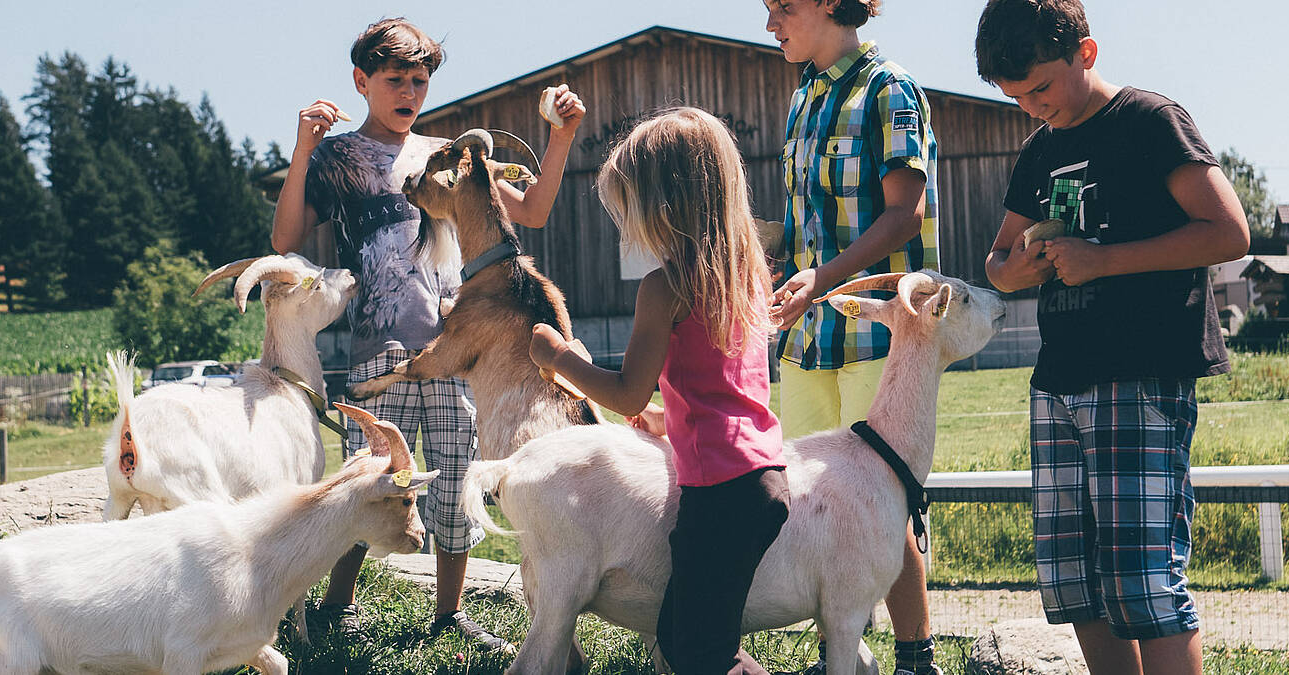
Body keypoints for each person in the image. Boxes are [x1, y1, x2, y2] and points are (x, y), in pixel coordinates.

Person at [269, 17, 587, 651]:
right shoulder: (337, 159)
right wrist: (303, 149)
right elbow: (284, 240)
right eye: (394, 79)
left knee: (454, 480)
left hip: (456, 349)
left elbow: (533, 212)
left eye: (419, 79)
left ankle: (448, 613)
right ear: (361, 81)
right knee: (370, 482)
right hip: (378, 349)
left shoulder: (447, 156)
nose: (409, 91)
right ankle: (338, 603)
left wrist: (560, 140)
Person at [976, 1, 1250, 672]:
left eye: (1040, 88)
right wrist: (1014, 271)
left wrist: (1103, 259)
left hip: (1142, 375)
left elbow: (1229, 233)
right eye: (1016, 98)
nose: (1032, 108)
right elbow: (996, 261)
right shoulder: (1041, 148)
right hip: (1058, 383)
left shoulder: (1151, 122)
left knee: (1142, 583)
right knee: (1077, 584)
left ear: (1086, 53)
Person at [530, 107, 788, 675]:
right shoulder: (743, 272)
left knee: (698, 653)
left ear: (665, 203)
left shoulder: (665, 285)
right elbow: (725, 391)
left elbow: (621, 393)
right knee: (683, 640)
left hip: (720, 494)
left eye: (630, 206)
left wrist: (560, 357)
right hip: (759, 477)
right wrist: (664, 417)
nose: (629, 225)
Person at [762, 0, 940, 672]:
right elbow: (806, 222)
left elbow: (903, 216)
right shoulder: (803, 96)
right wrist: (782, 272)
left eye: (783, 7)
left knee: (879, 507)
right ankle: (846, 652)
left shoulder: (888, 89)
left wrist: (822, 276)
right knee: (812, 502)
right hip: (808, 340)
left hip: (877, 340)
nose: (771, 22)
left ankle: (916, 654)